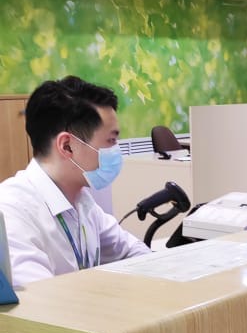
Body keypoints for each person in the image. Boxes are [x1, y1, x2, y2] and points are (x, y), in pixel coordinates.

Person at [0, 75, 149, 288]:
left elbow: (134, 252)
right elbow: (40, 298)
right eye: (111, 140)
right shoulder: (11, 211)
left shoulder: (82, 201)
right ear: (67, 146)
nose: (116, 150)